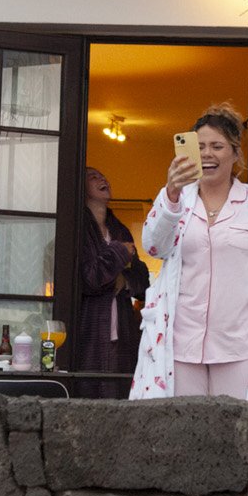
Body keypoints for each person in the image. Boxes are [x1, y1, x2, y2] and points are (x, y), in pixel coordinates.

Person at [131, 104, 248, 400]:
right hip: (178, 345)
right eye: (201, 146)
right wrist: (171, 193)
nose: (207, 154)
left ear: (235, 153)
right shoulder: (176, 199)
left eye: (217, 146)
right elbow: (154, 245)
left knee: (237, 436)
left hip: (241, 347)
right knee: (180, 434)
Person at [69, 166, 150, 397]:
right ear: (82, 188)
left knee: (121, 398)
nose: (102, 179)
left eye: (103, 175)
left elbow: (143, 280)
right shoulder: (79, 228)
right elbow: (90, 278)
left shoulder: (120, 229)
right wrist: (118, 252)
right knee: (89, 396)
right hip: (90, 330)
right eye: (94, 177)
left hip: (123, 332)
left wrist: (123, 280)